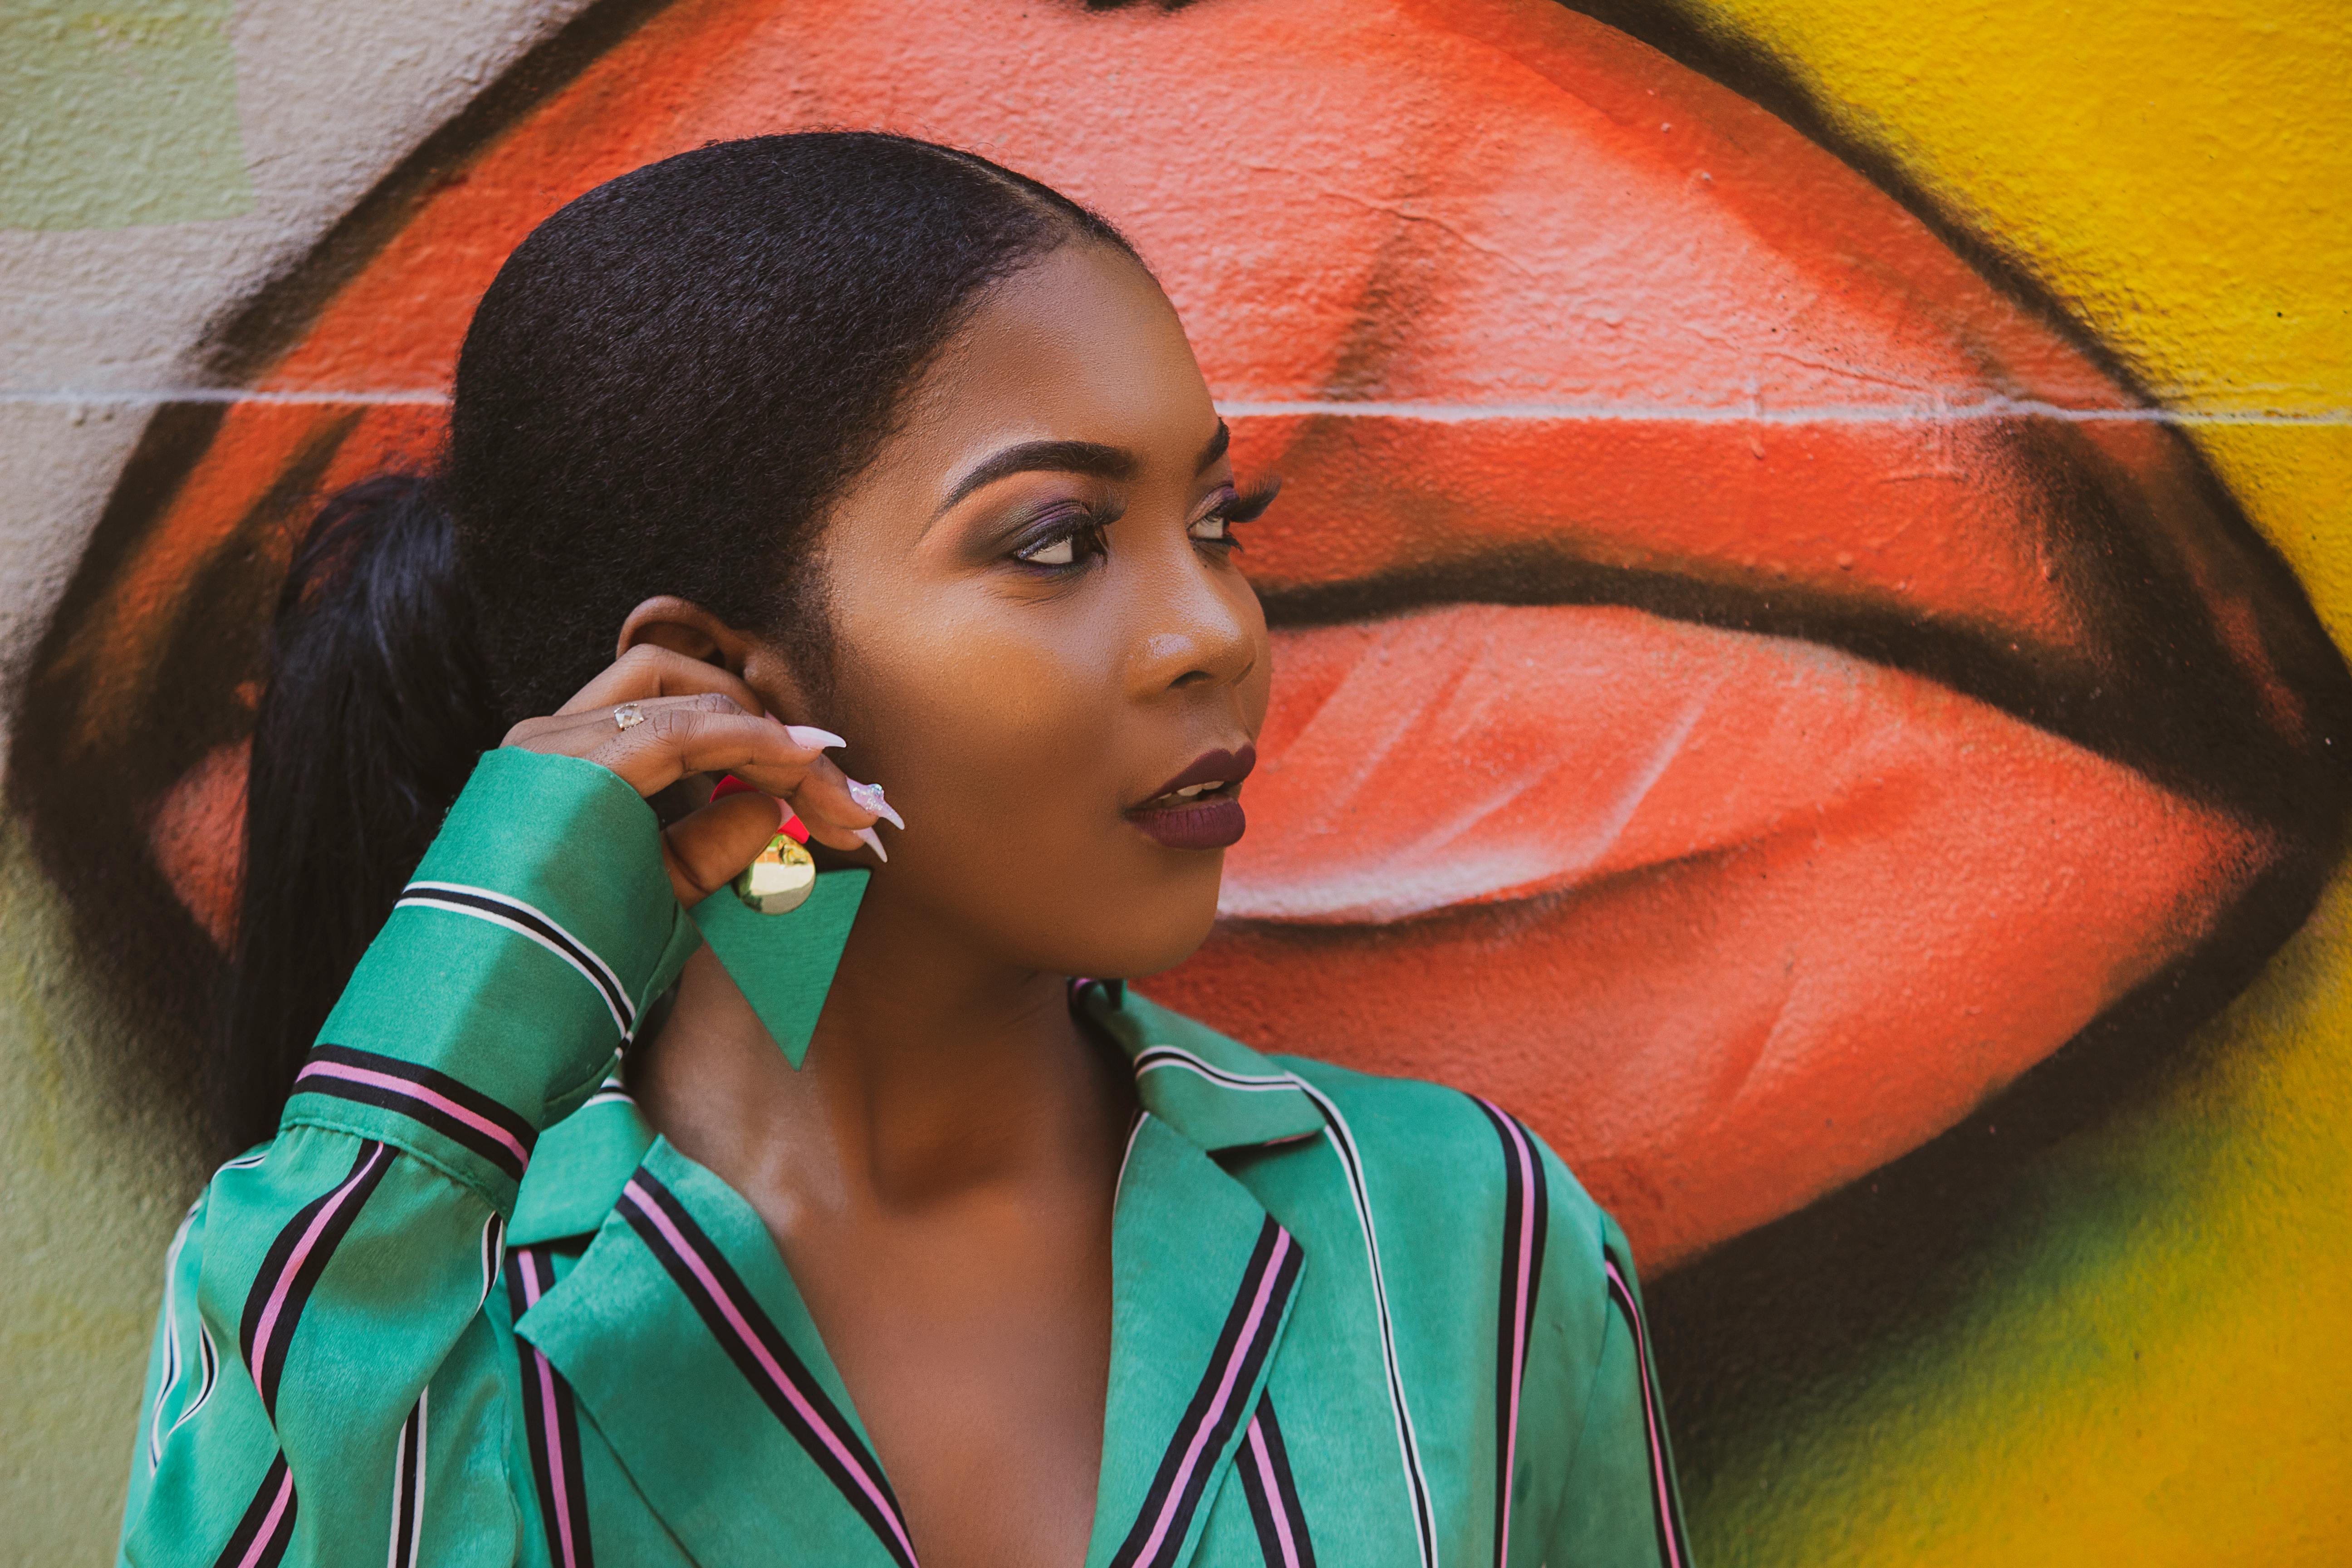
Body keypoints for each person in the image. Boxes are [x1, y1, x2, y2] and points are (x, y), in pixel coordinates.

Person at [118, 132, 1690, 1568]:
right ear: (718, 687)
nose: (1218, 633)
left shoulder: (1467, 1241)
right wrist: (480, 974)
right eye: (1059, 543)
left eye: (1222, 522)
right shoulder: (402, 1291)